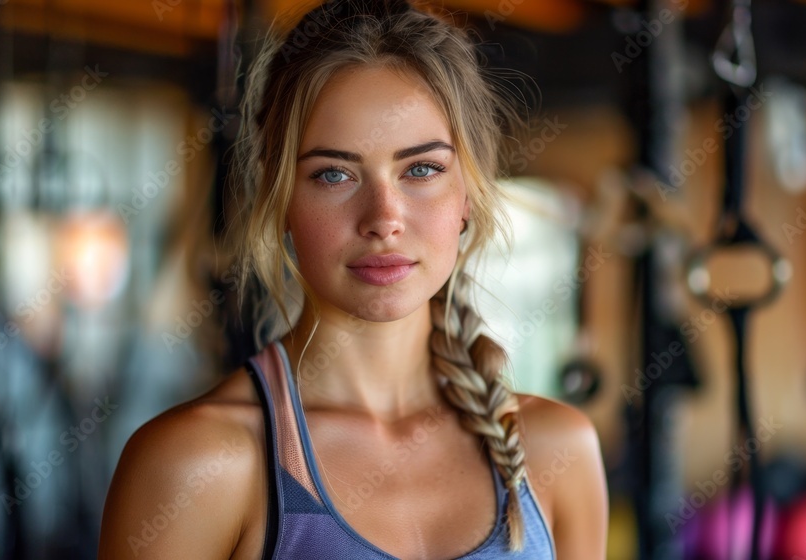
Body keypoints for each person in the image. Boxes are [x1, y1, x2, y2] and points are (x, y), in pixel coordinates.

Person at [98, 0, 607, 558]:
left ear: (468, 193)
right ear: (280, 198)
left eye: (421, 169)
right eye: (334, 174)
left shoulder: (559, 451)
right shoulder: (197, 463)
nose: (383, 219)